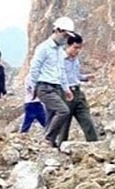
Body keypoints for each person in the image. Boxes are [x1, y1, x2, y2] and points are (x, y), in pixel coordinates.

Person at [25, 16, 77, 149]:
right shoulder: (43, 48)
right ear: (58, 30)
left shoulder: (60, 51)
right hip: (44, 87)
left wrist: (66, 89)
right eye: (65, 36)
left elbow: (62, 72)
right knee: (63, 111)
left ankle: (48, 145)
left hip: (56, 87)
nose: (66, 39)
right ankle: (48, 139)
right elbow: (35, 68)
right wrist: (32, 87)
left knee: (52, 115)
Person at [59, 32, 99, 142]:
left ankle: (94, 145)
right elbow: (59, 77)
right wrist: (65, 90)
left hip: (78, 93)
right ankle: (60, 148)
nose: (77, 51)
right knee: (64, 126)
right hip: (65, 94)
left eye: (79, 48)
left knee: (87, 121)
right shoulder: (60, 59)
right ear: (68, 45)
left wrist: (86, 77)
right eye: (75, 47)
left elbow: (75, 76)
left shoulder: (75, 60)